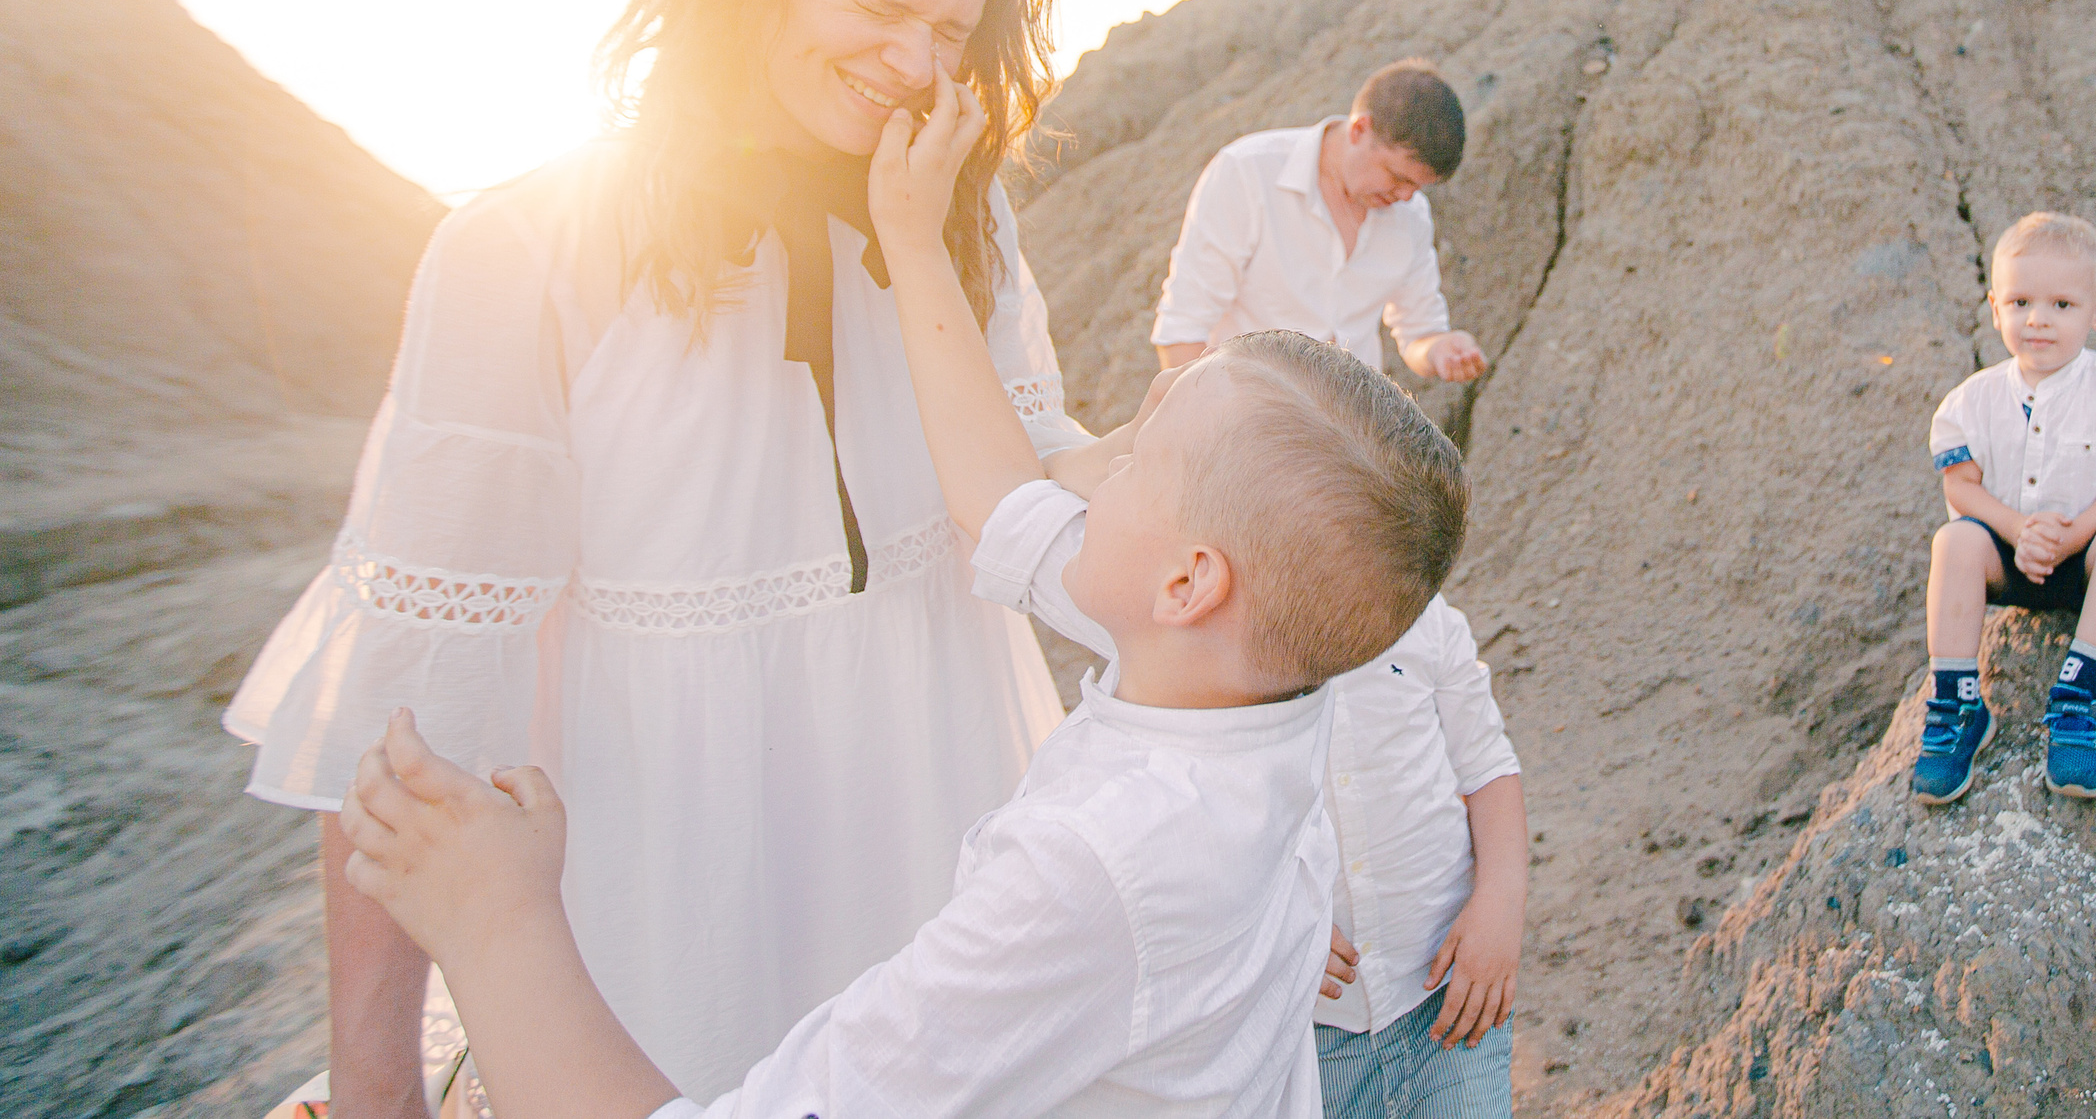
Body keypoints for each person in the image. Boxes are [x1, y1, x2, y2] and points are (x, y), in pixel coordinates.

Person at [330, 62, 1472, 1119]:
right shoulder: (1256, 690)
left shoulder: (1086, 874)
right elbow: (995, 491)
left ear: (1185, 582)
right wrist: (915, 243)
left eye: (1130, 460)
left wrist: (498, 923)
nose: (1084, 468)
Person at [222, 0, 1094, 1110]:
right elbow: (416, 713)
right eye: (877, 7)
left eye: (951, 31)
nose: (917, 62)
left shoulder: (961, 218)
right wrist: (374, 1082)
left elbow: (1030, 490)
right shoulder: (526, 247)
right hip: (673, 878)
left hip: (947, 812)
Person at [1911, 213, 2096, 805]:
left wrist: (2069, 536)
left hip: (2090, 565)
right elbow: (1962, 488)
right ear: (1995, 307)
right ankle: (1957, 704)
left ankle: (2081, 699)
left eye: (2062, 304)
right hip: (2010, 560)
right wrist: (2018, 529)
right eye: (2021, 302)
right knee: (1954, 541)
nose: (2038, 319)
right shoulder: (1971, 401)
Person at [1311, 593, 1525, 1118]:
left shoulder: (1421, 614)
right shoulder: (1231, 647)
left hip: (1451, 998)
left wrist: (1500, 905)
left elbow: (1487, 765)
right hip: (1309, 1032)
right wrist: (1275, 927)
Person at [1152, 59, 1488, 384]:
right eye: (1397, 177)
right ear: (1359, 129)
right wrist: (1200, 412)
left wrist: (1440, 349)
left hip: (1352, 416)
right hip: (1245, 405)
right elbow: (1183, 326)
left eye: (1417, 186)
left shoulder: (1411, 215)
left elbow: (1418, 333)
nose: (1405, 196)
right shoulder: (1248, 172)